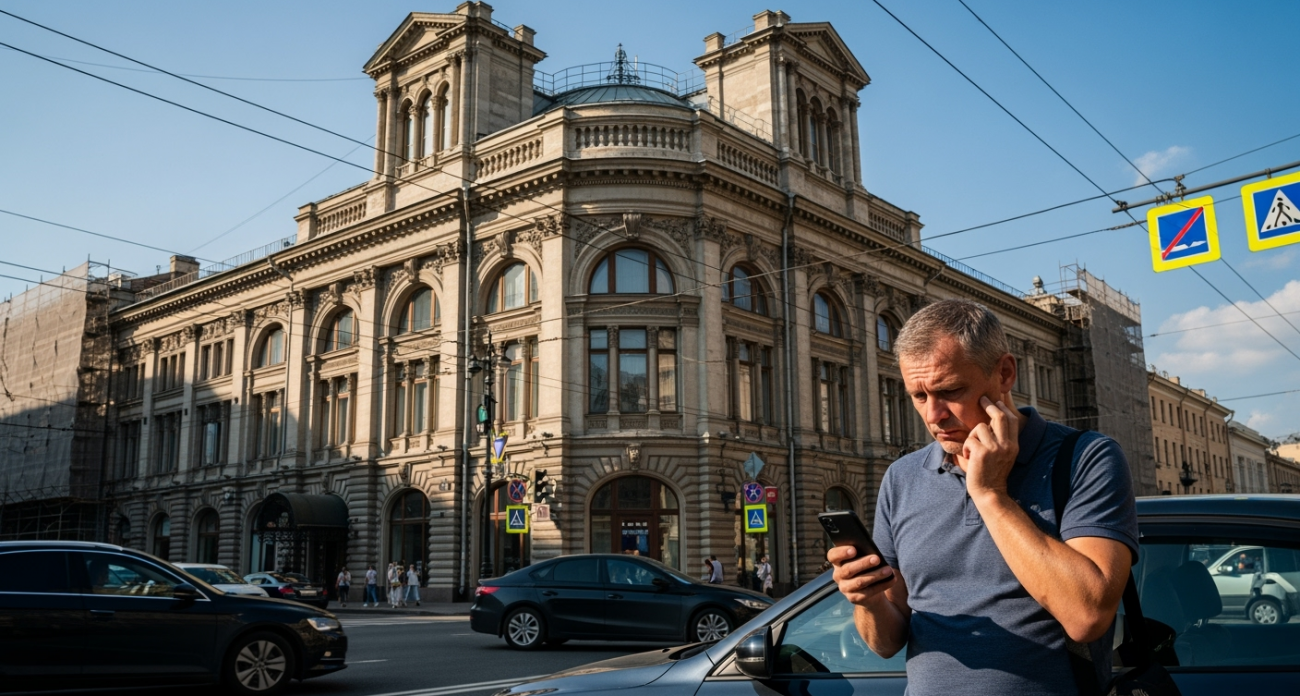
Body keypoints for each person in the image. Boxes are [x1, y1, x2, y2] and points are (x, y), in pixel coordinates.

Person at [829, 299, 1137, 696]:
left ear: (1005, 373)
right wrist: (867, 600)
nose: (934, 415)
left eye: (951, 390)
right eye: (918, 396)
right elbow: (886, 643)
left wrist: (991, 494)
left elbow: (1088, 615)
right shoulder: (902, 478)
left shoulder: (1086, 458)